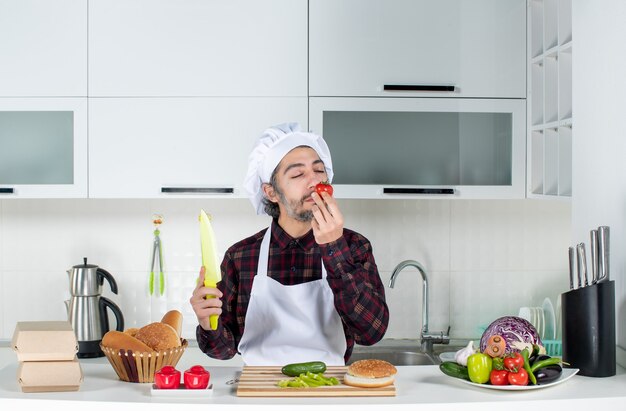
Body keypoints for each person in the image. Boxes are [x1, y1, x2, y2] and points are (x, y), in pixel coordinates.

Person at [190, 123, 389, 365]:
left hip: (328, 391)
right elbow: (223, 350)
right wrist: (206, 322)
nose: (314, 181)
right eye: (297, 174)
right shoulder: (240, 256)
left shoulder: (354, 246)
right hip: (259, 392)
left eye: (319, 170)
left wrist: (334, 248)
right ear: (271, 192)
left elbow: (371, 333)